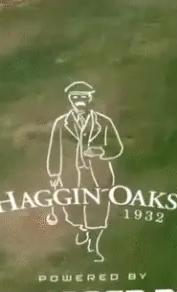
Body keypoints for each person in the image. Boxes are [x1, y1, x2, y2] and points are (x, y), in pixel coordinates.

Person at [47, 81, 124, 263]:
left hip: (99, 175)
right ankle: (82, 229)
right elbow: (54, 150)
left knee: (98, 211)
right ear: (70, 100)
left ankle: (93, 246)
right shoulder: (61, 123)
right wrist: (54, 174)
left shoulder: (103, 122)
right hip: (71, 174)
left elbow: (117, 147)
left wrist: (101, 151)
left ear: (90, 98)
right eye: (75, 97)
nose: (79, 100)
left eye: (83, 96)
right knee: (72, 211)